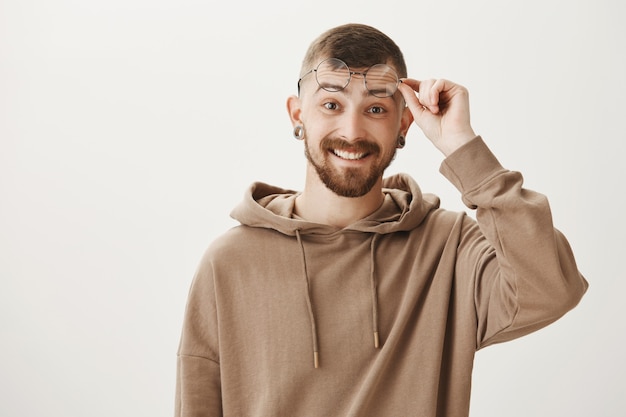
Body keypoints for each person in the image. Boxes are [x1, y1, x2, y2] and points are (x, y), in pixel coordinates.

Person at [174, 23, 588, 417]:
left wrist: (462, 146)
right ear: (298, 114)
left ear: (404, 121)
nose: (352, 131)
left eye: (375, 108)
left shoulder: (450, 248)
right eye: (331, 105)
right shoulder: (229, 262)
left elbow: (552, 289)